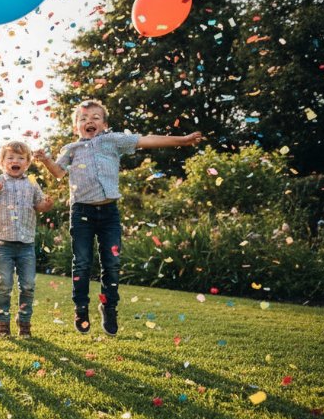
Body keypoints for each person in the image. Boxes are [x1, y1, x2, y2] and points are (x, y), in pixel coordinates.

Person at [36, 100, 202, 335]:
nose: (89, 121)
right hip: (82, 212)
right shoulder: (71, 149)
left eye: (95, 117)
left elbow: (146, 140)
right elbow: (59, 173)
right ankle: (81, 308)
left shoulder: (113, 141)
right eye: (83, 119)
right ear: (76, 127)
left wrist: (182, 140)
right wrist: (45, 161)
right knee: (82, 263)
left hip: (109, 213)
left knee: (111, 264)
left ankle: (109, 307)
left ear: (104, 124)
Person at [0, 141, 54, 337]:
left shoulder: (31, 182)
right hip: (3, 243)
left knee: (28, 284)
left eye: (21, 158)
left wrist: (45, 205)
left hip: (26, 244)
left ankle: (24, 322)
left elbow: (38, 205)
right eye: (11, 158)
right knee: (4, 284)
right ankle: (3, 323)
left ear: (27, 163)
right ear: (3, 162)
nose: (16, 161)